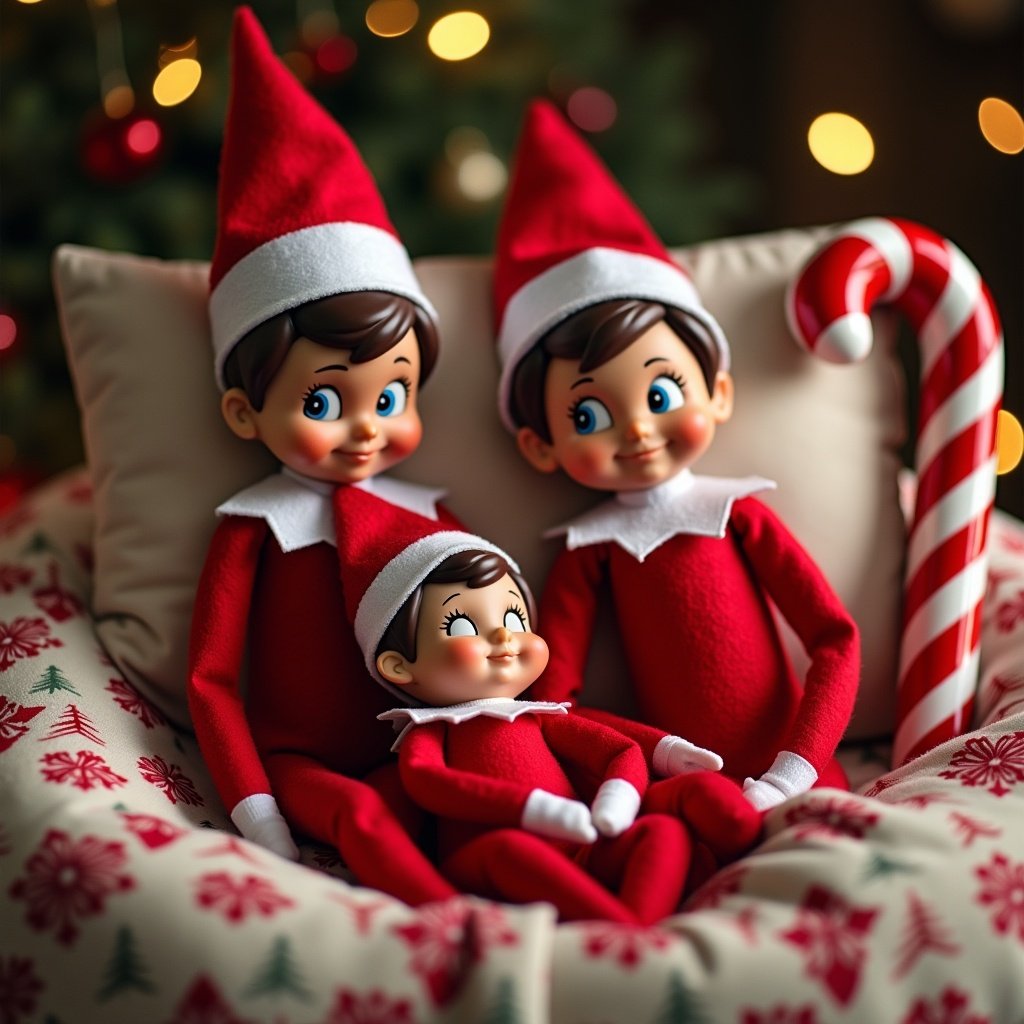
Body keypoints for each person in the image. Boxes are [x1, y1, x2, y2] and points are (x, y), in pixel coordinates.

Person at [492, 99, 861, 818]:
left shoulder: (739, 518)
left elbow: (834, 639)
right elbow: (553, 702)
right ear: (540, 445)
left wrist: (797, 766)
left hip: (808, 782)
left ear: (719, 393)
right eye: (589, 414)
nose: (637, 430)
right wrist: (647, 759)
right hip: (679, 799)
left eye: (662, 392)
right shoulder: (587, 555)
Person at [187, 7, 457, 906]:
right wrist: (254, 804)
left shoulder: (425, 511)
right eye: (320, 402)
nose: (367, 428)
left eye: (391, 397)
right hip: (300, 768)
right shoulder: (253, 526)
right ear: (242, 409)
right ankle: (443, 929)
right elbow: (213, 679)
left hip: (421, 745)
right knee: (366, 823)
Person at [330, 499, 693, 923]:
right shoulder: (435, 731)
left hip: (583, 845)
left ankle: (640, 927)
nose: (504, 635)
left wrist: (615, 803)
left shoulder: (542, 717)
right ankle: (618, 932)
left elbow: (620, 752)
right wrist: (533, 809)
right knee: (511, 852)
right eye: (461, 625)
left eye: (516, 618)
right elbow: (428, 783)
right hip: (486, 866)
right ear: (399, 665)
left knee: (663, 832)